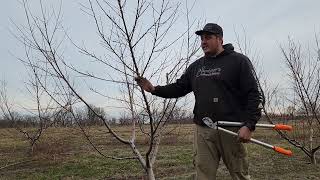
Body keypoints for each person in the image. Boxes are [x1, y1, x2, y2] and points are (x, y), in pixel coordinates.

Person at [135, 23, 264, 180]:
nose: (203, 41)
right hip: (203, 129)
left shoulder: (239, 61)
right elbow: (179, 88)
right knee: (202, 174)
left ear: (220, 40)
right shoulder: (196, 67)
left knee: (240, 174)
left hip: (231, 129)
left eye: (208, 37)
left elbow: (254, 94)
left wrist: (249, 125)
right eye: (202, 38)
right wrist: (154, 89)